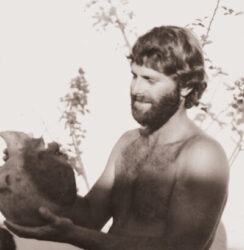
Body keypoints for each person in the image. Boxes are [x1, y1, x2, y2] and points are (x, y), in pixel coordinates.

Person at [4, 25, 229, 250]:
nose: (136, 89)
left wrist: (75, 236)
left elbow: (182, 248)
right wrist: (33, 168)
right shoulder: (128, 143)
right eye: (134, 75)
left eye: (150, 80)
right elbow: (89, 216)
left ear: (186, 88)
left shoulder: (202, 156)